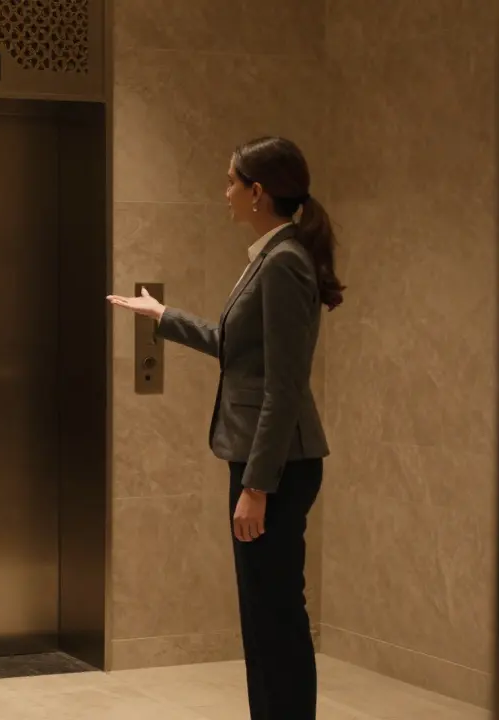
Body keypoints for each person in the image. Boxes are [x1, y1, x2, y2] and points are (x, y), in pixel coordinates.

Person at [108, 136, 343, 720]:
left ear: (258, 192)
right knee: (262, 616)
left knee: (277, 616)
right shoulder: (270, 254)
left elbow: (284, 386)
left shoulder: (284, 262)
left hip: (277, 465)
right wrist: (162, 317)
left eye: (231, 182)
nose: (225, 193)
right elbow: (233, 345)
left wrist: (257, 486)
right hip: (263, 459)